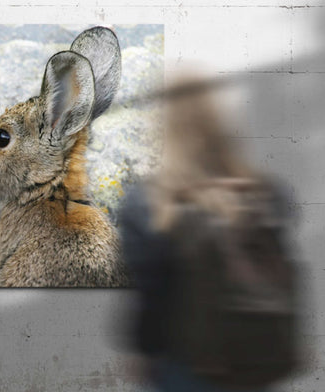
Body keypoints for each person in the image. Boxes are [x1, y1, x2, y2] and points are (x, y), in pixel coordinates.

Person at [119, 75, 301, 392]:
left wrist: (144, 351)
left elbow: (151, 295)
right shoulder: (267, 193)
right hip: (257, 358)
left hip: (187, 365)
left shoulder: (150, 203)